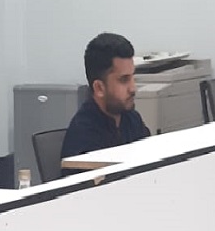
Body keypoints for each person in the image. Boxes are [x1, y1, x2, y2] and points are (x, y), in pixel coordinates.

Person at [60, 32, 151, 175]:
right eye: (124, 80)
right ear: (99, 88)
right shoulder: (84, 136)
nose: (133, 88)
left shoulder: (132, 119)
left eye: (133, 77)